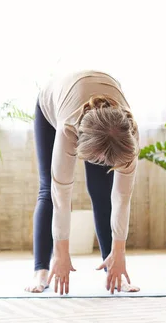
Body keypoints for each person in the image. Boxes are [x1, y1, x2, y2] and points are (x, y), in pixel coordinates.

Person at [25, 70, 140, 295]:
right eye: (98, 159)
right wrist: (61, 253)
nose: (102, 164)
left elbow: (122, 198)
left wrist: (120, 253)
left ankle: (112, 268)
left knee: (102, 192)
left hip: (105, 123)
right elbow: (61, 196)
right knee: (49, 189)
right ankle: (41, 269)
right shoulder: (68, 130)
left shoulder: (128, 136)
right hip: (53, 106)